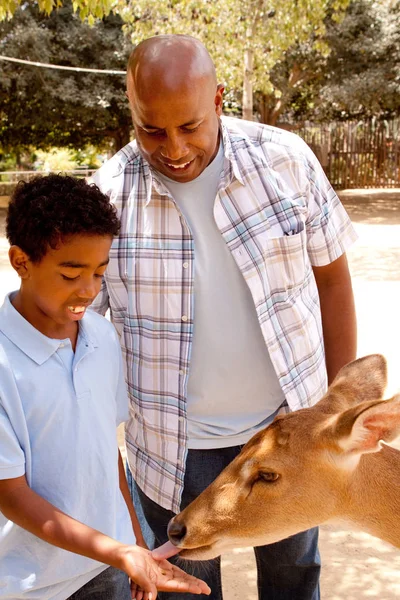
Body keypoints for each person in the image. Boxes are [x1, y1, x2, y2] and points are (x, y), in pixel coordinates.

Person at [92, 35, 358, 600]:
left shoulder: (286, 161)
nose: (174, 148)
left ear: (218, 100)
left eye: (190, 126)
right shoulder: (107, 198)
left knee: (294, 577)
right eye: (151, 129)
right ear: (131, 113)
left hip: (287, 432)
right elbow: (76, 334)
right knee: (189, 590)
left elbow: (332, 280)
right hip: (172, 448)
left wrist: (339, 407)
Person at [0, 174, 210, 600]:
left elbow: (105, 451)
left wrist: (134, 548)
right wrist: (119, 551)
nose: (89, 290)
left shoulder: (100, 336)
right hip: (28, 584)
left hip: (105, 568)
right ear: (21, 261)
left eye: (99, 272)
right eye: (71, 273)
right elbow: (11, 494)